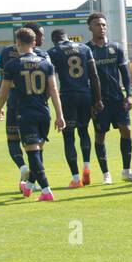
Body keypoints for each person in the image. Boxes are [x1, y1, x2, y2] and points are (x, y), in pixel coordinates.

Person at [0, 26, 65, 201]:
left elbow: (4, 91)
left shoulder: (12, 65)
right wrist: (60, 115)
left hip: (25, 114)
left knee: (33, 154)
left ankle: (46, 190)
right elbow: (54, 90)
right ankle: (29, 186)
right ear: (34, 43)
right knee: (38, 151)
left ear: (17, 43)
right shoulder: (46, 64)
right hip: (44, 112)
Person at [86, 12, 132, 184]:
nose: (101, 28)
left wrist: (129, 95)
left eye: (103, 24)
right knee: (100, 135)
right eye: (97, 25)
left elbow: (125, 74)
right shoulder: (87, 50)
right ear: (90, 28)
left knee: (127, 130)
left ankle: (126, 171)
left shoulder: (116, 48)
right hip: (99, 101)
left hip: (117, 99)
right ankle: (106, 174)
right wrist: (91, 102)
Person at [47, 29, 101, 188]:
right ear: (67, 37)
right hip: (85, 95)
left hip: (67, 96)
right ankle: (87, 167)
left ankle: (76, 179)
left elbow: (50, 77)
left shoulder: (54, 52)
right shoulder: (85, 48)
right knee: (84, 131)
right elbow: (94, 76)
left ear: (55, 40)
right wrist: (97, 99)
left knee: (69, 136)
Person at [0, 22, 43, 190]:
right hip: (36, 105)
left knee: (13, 139)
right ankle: (34, 181)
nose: (42, 38)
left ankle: (23, 168)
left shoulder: (6, 52)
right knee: (36, 145)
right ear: (33, 36)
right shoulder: (40, 55)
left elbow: (3, 80)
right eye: (40, 35)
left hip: (13, 102)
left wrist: (0, 105)